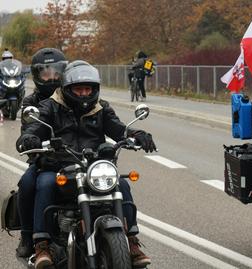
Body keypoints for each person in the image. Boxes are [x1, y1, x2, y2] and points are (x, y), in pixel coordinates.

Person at [16, 60, 156, 269]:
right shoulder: (50, 106)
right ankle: (41, 245)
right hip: (58, 166)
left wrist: (136, 134)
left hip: (93, 167)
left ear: (94, 89)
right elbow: (34, 127)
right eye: (78, 89)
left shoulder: (101, 108)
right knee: (44, 184)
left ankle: (132, 241)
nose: (83, 94)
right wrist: (29, 138)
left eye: (87, 89)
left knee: (122, 185)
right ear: (67, 89)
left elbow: (117, 128)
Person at [15, 48, 68, 258]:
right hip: (43, 159)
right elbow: (27, 131)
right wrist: (31, 142)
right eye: (46, 73)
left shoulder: (71, 95)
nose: (52, 77)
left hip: (73, 157)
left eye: (56, 71)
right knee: (27, 183)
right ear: (38, 76)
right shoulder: (30, 102)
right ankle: (28, 237)